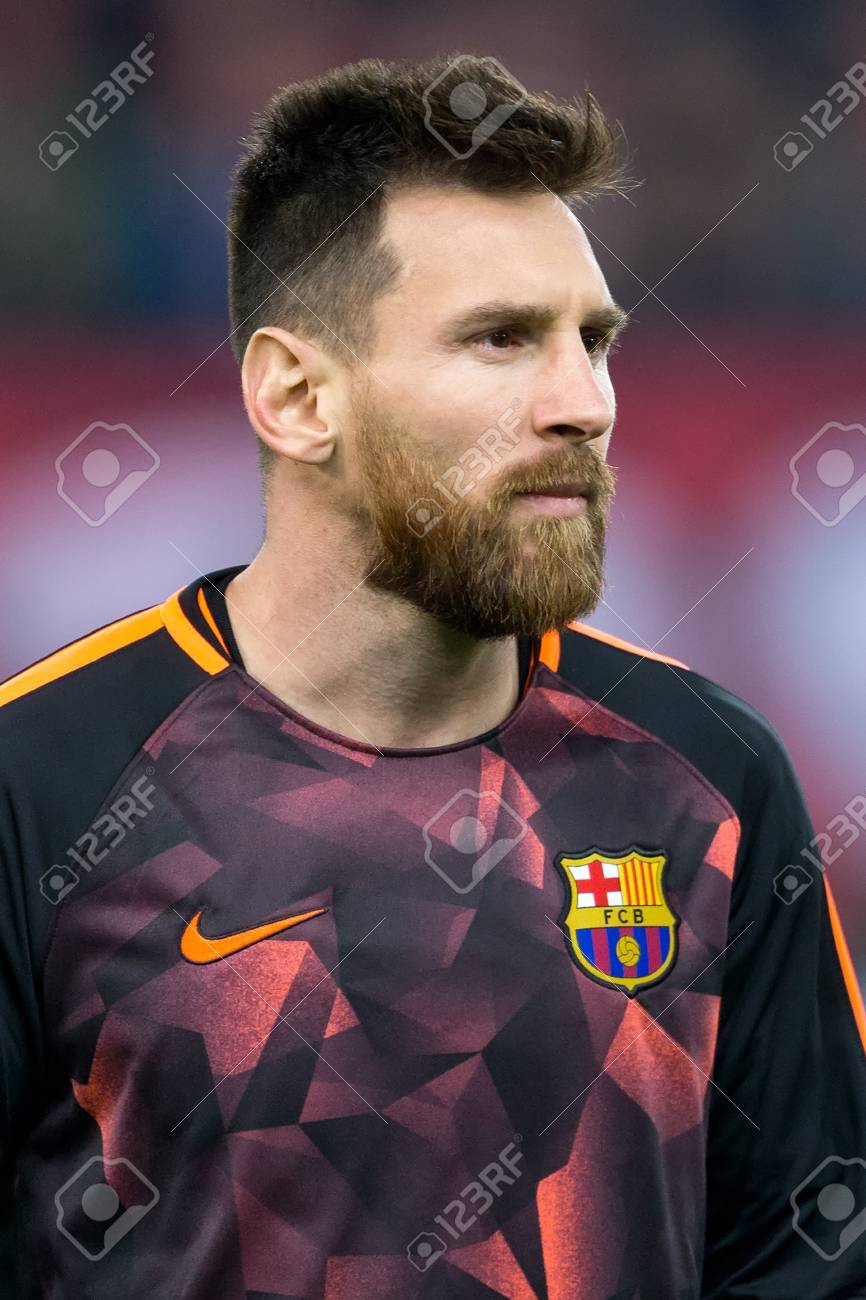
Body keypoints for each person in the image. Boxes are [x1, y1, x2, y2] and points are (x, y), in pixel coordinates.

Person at [2, 53, 865, 1300]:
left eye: (593, 340)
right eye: (501, 340)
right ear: (297, 395)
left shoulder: (710, 782)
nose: (582, 402)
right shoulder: (43, 786)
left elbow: (813, 1263)